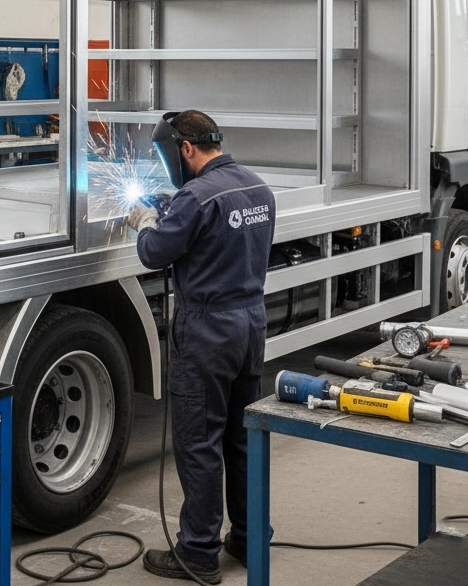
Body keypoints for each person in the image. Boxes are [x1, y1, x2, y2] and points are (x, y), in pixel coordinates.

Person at [128, 110, 275, 583]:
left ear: (185, 149)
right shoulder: (256, 187)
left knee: (199, 443)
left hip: (208, 331)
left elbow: (153, 252)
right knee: (241, 436)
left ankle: (197, 553)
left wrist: (148, 221)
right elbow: (218, 230)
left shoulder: (195, 197)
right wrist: (175, 208)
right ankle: (252, 537)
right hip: (250, 324)